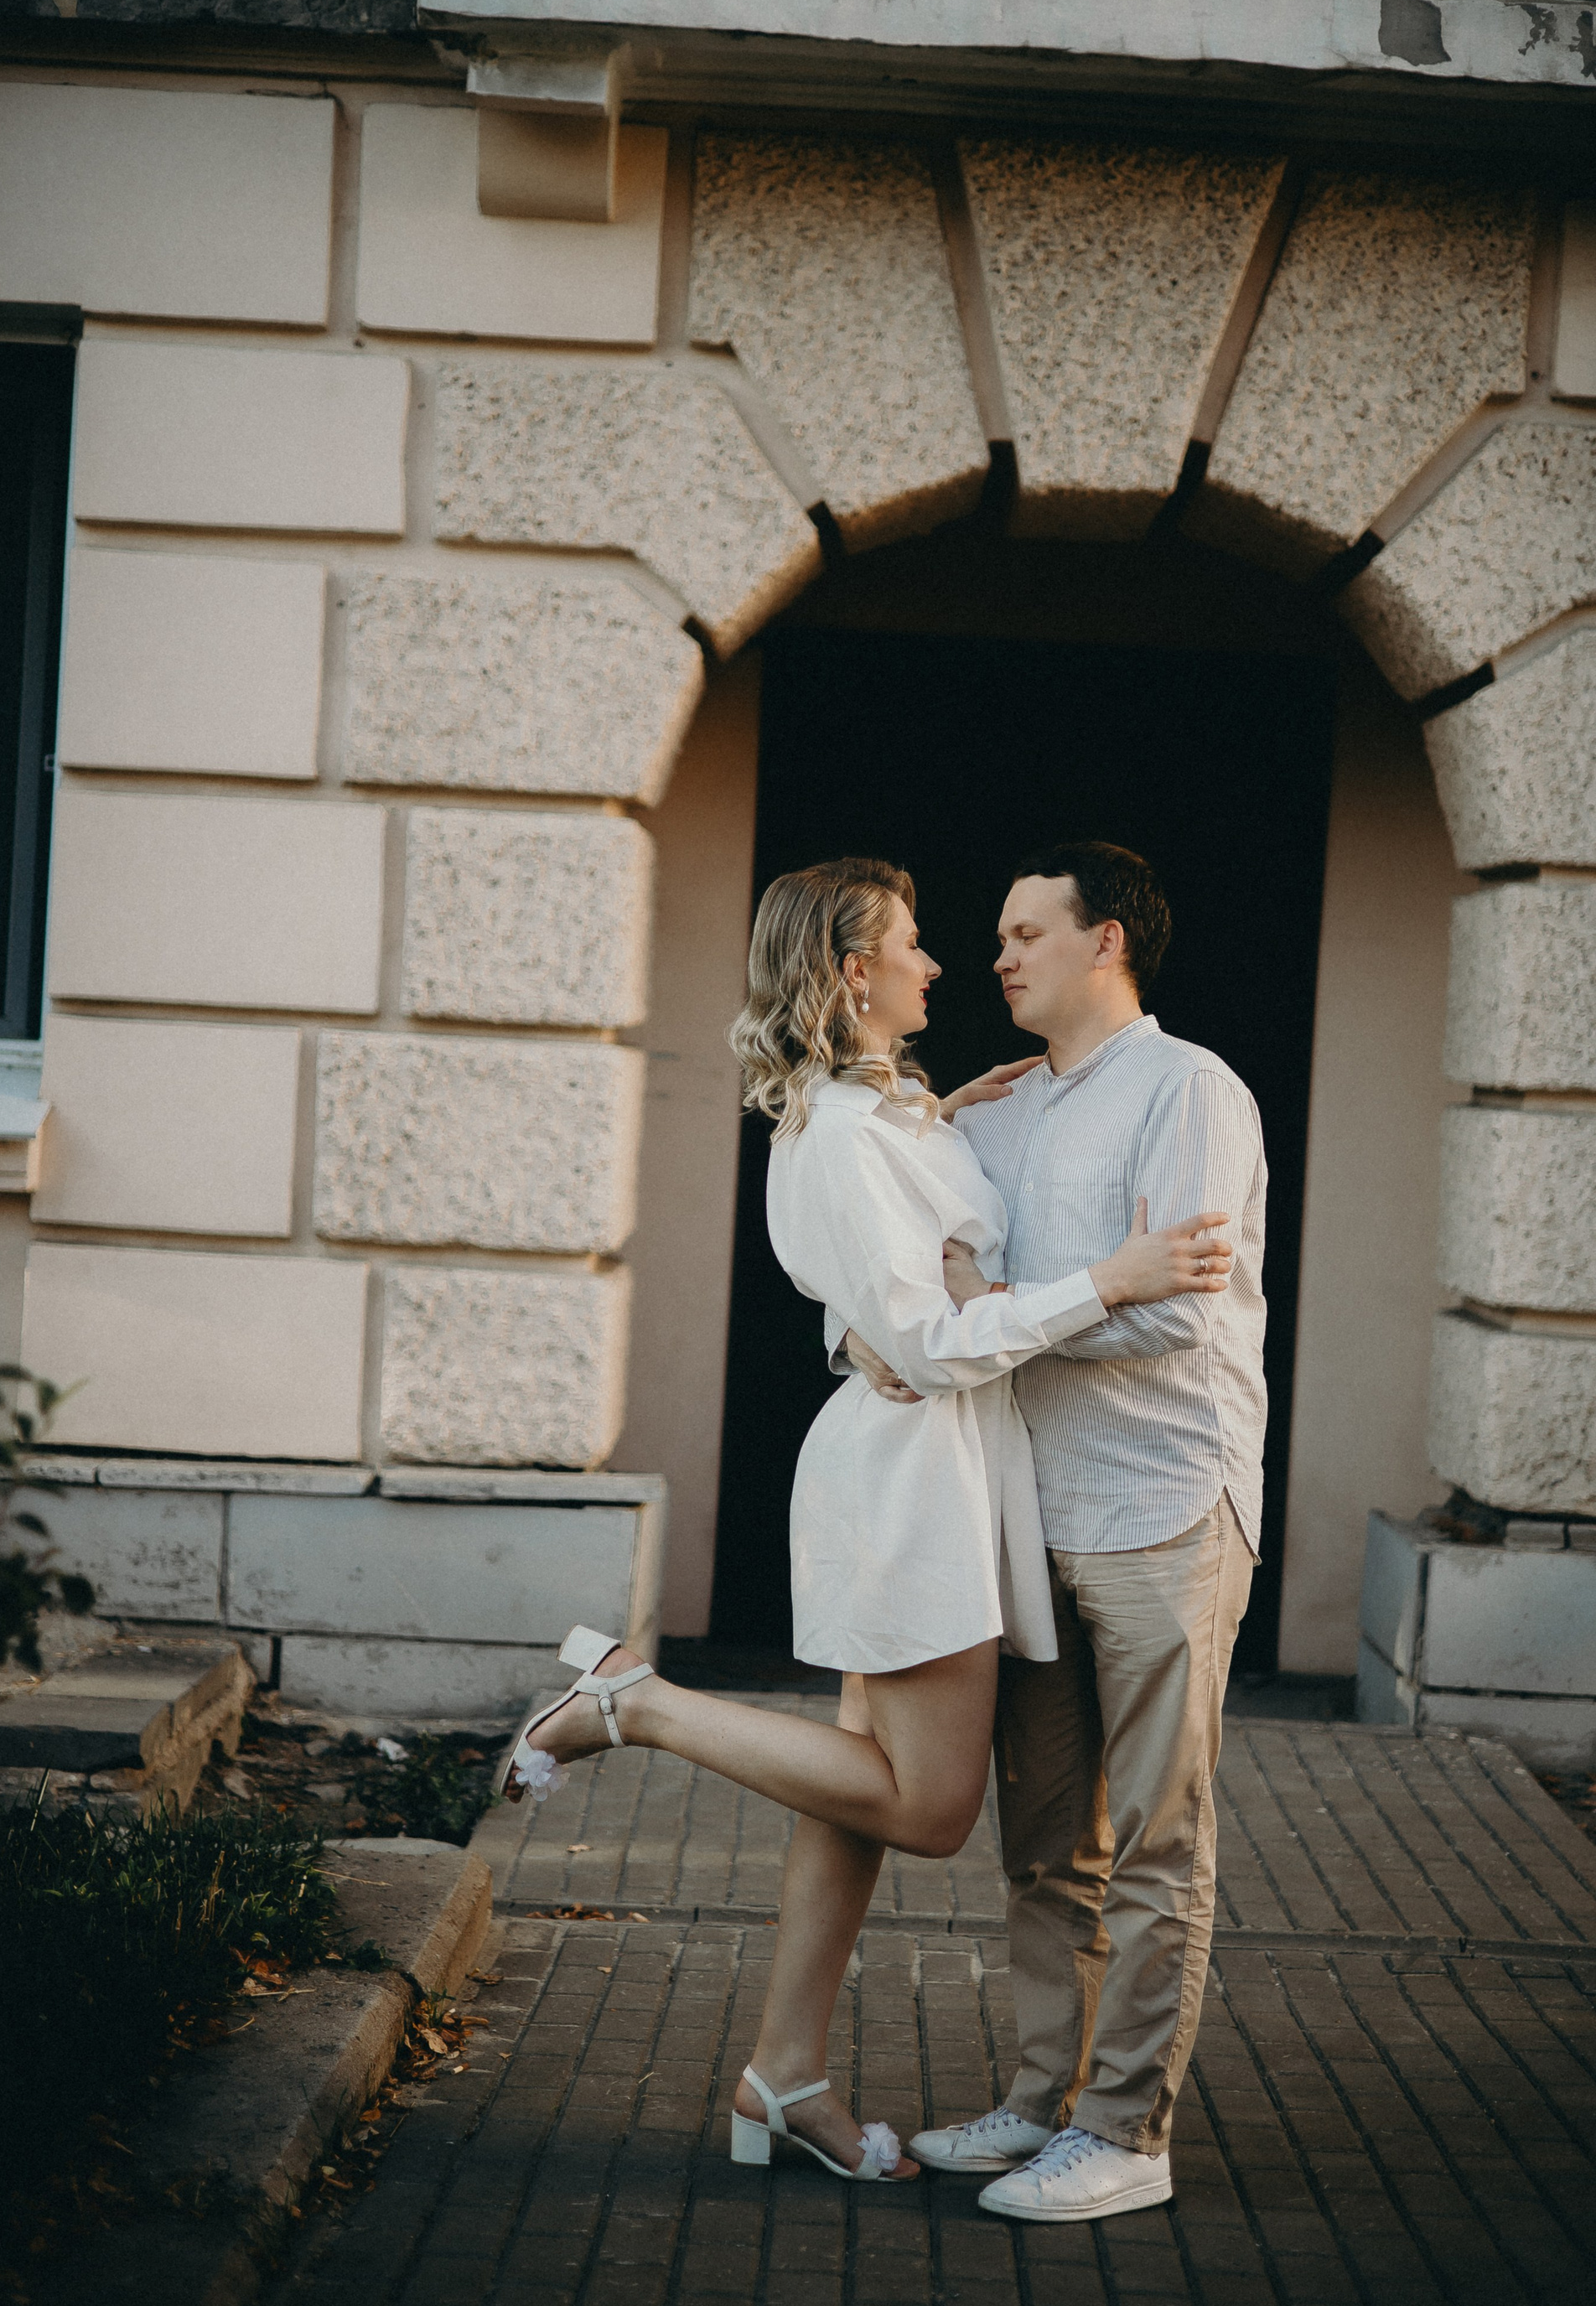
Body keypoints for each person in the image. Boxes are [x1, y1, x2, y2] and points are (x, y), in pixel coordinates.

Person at [499, 856, 1234, 2187]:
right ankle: (638, 1705)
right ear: (851, 974)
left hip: (970, 1472)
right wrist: (1088, 1283)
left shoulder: (917, 1110)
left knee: (849, 1796)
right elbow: (930, 1327)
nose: (952, 961)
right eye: (916, 941)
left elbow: (910, 1285)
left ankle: (784, 2076)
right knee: (932, 1809)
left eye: (1013, 932)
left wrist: (924, 1196)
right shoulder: (847, 1129)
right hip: (914, 1481)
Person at [845, 841, 1267, 2225]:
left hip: (1163, 1506)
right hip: (1026, 1512)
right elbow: (919, 1290)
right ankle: (1044, 2104)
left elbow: (1174, 1312)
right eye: (999, 934)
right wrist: (988, 1300)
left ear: (1108, 941)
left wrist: (1002, 1303)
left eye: (1028, 932)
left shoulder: (1189, 1089)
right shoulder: (1001, 1111)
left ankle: (1128, 2132)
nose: (998, 956)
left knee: (1155, 1843)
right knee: (1044, 1847)